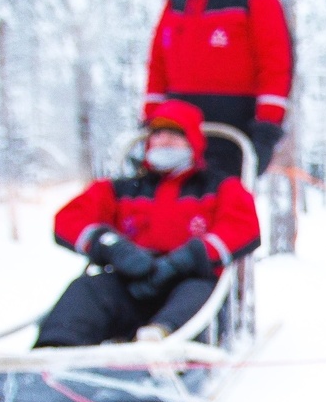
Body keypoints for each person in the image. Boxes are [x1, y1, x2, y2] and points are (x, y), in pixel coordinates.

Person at [36, 101, 260, 347]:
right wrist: (111, 246)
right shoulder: (121, 190)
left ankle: (160, 345)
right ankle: (51, 354)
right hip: (131, 281)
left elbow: (243, 227)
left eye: (175, 135)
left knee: (197, 293)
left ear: (193, 142)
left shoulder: (219, 187)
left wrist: (190, 256)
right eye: (157, 134)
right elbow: (68, 219)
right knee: (88, 289)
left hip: (190, 282)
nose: (164, 141)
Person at [144, 0, 294, 177]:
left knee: (225, 203)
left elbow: (275, 66)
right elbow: (157, 66)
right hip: (175, 131)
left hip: (232, 130)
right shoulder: (175, 3)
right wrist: (151, 121)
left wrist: (267, 128)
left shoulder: (255, 0)